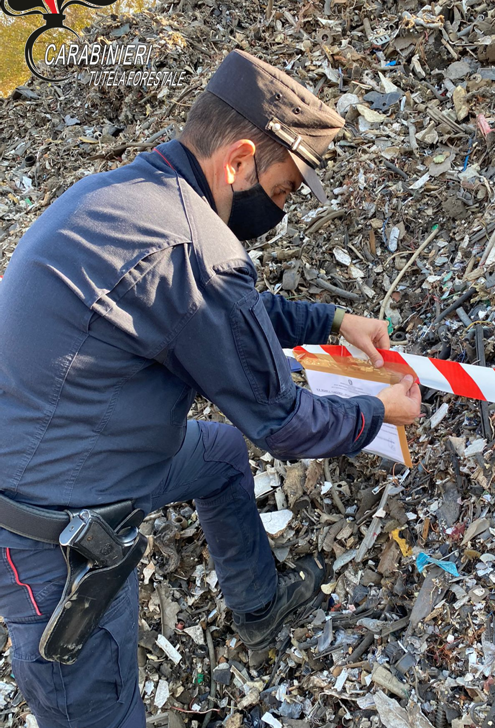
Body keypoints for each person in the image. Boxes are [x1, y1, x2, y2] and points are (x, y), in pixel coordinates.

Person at [0, 50, 421, 728]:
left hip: (79, 446)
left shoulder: (135, 198)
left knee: (220, 455)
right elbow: (282, 423)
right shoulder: (193, 248)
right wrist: (377, 411)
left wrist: (337, 321)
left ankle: (259, 606)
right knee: (98, 711)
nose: (278, 209)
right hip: (54, 527)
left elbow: (230, 314)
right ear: (240, 160)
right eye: (282, 191)